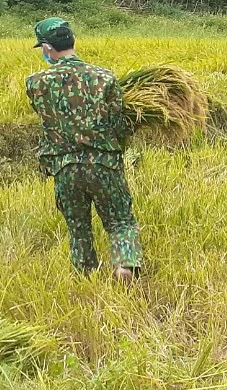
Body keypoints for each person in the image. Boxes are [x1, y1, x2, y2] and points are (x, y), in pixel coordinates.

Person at [26, 17, 142, 282]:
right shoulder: (105, 77)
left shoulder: (35, 83)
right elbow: (118, 123)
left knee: (78, 228)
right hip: (104, 164)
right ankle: (125, 266)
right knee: (120, 221)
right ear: (73, 41)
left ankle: (86, 275)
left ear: (47, 48)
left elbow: (46, 118)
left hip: (64, 167)